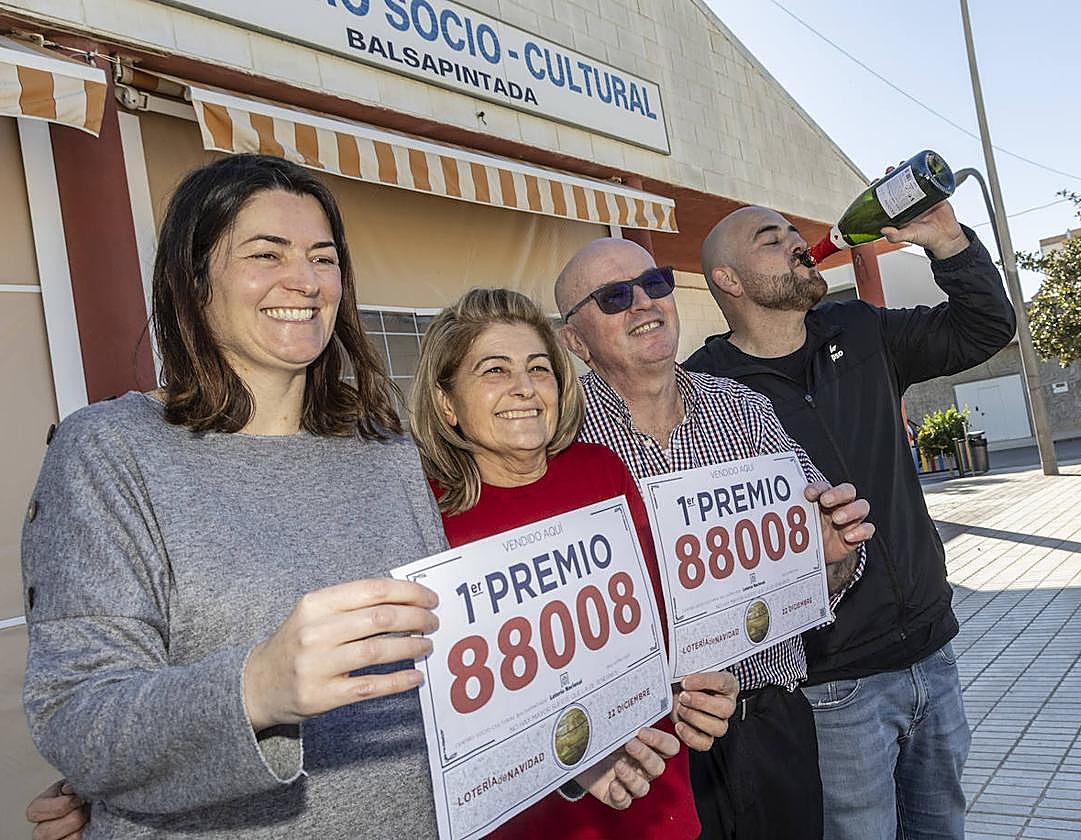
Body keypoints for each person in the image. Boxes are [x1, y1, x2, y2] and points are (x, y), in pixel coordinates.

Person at [21, 156, 670, 839]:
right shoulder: (109, 452)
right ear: (194, 275)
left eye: (323, 258)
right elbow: (76, 717)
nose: (304, 281)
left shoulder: (384, 450)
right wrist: (257, 688)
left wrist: (562, 754)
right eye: (267, 253)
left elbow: (450, 672)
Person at [686, 200, 1017, 839]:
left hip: (932, 652)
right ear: (729, 280)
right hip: (831, 685)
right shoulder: (703, 390)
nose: (796, 243)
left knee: (942, 829)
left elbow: (983, 329)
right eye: (771, 239)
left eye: (793, 232)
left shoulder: (860, 330)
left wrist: (949, 243)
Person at [554, 237, 875, 840]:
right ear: (575, 339)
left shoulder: (746, 410)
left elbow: (828, 569)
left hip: (771, 724)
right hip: (644, 751)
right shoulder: (557, 442)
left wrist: (832, 554)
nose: (644, 303)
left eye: (655, 283)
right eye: (615, 296)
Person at [407, 287, 740, 838]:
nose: (524, 387)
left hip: (655, 793)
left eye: (539, 369)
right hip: (533, 822)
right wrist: (562, 759)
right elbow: (438, 715)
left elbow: (660, 619)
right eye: (494, 370)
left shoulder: (600, 471)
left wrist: (694, 688)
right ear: (447, 404)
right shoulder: (423, 515)